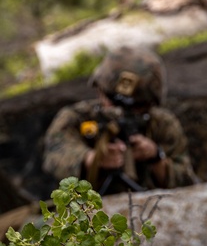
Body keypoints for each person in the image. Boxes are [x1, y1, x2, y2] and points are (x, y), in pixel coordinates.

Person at [43, 46, 198, 195]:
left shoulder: (162, 124)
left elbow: (188, 183)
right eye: (113, 103)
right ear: (100, 91)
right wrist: (91, 159)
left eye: (139, 107)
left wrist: (156, 158)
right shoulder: (77, 118)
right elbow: (54, 157)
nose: (122, 112)